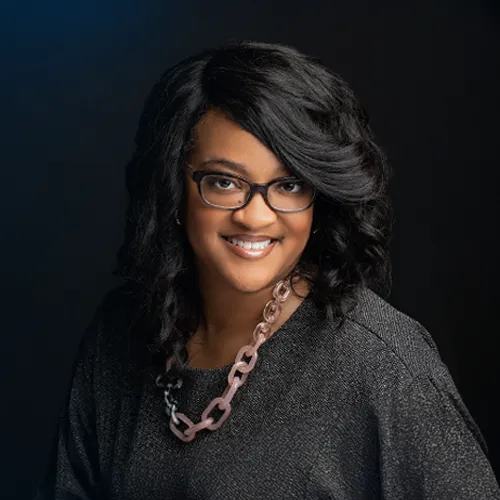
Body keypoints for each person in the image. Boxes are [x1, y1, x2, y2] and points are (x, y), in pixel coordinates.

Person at [35, 40, 500, 499]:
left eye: (290, 184)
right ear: (172, 189)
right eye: (223, 181)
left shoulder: (383, 365)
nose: (255, 216)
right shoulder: (119, 332)